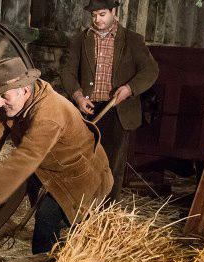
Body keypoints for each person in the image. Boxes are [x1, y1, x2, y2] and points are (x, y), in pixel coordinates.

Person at [0, 58, 113, 254]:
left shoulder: (49, 113)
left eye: (4, 96)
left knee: (47, 218)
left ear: (25, 91)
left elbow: (26, 157)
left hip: (77, 174)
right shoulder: (11, 100)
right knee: (46, 213)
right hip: (47, 167)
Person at [60, 0, 158, 201]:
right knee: (83, 161)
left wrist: (130, 89)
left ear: (114, 12)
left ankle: (106, 213)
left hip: (117, 111)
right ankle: (81, 208)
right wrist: (78, 97)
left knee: (112, 166)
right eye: (93, 15)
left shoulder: (132, 40)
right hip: (88, 109)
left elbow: (151, 70)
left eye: (102, 14)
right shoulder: (80, 40)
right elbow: (67, 72)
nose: (97, 20)